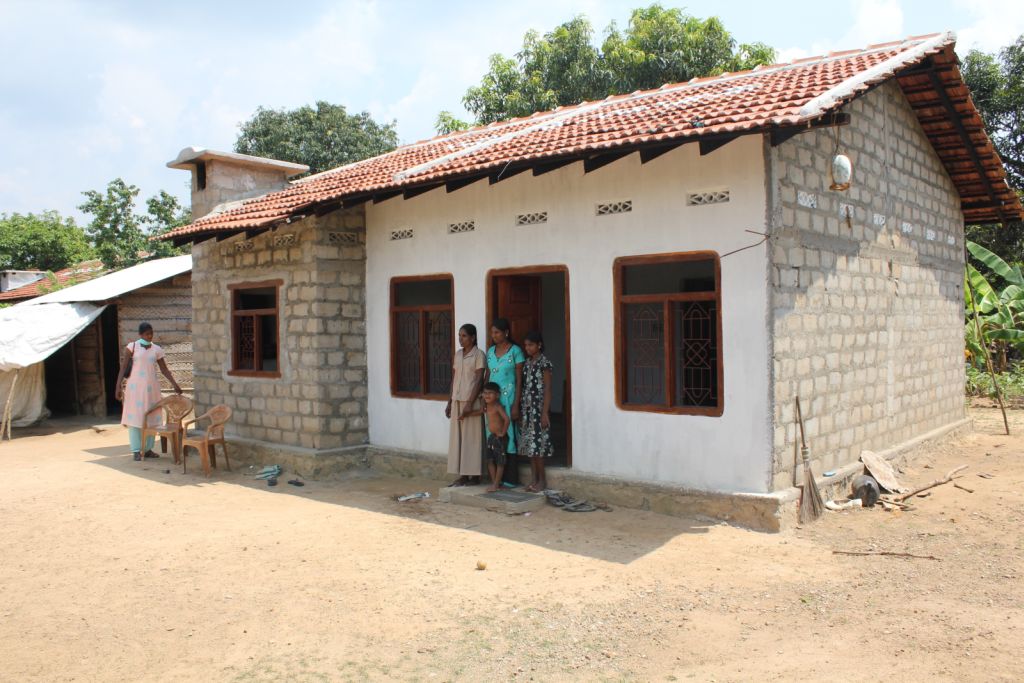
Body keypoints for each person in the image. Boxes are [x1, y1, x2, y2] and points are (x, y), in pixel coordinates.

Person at [115, 322, 182, 461]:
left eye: (151, 333)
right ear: (140, 334)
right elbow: (123, 367)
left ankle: (148, 449)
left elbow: (164, 369)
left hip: (152, 389)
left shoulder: (157, 349)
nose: (150, 336)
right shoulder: (132, 347)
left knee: (151, 418)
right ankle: (135, 450)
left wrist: (175, 384)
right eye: (147, 334)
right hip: (135, 389)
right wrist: (117, 386)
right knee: (135, 419)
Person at [445, 323, 486, 486]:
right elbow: (454, 379)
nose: (460, 339)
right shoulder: (458, 355)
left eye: (464, 336)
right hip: (457, 400)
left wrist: (470, 403)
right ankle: (462, 475)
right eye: (459, 336)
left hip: (472, 401)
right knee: (458, 439)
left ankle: (474, 476)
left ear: (473, 337)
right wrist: (449, 401)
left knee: (472, 438)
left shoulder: (479, 355)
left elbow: (479, 380)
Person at [485, 318, 524, 486]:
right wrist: (484, 396)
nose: (493, 335)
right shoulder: (490, 352)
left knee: (507, 434)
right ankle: (496, 480)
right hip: (492, 402)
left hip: (508, 400)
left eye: (497, 332)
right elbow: (487, 376)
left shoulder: (515, 351)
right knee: (492, 434)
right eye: (492, 333)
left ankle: (510, 479)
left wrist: (516, 404)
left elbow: (519, 379)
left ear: (506, 333)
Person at [519, 331, 554, 492]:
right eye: (526, 345)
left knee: (538, 447)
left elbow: (547, 388)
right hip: (527, 410)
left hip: (539, 410)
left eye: (531, 345)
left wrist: (545, 412)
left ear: (539, 345)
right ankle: (533, 480)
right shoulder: (527, 363)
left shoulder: (544, 363)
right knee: (530, 448)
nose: (528, 348)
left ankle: (542, 481)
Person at [461, 382, 510, 493]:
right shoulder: (486, 407)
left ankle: (496, 484)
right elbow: (479, 412)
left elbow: (507, 419)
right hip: (491, 437)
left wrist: (503, 432)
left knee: (500, 462)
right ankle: (494, 483)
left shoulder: (497, 407)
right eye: (485, 393)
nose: (487, 395)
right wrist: (465, 415)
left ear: (497, 395)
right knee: (489, 460)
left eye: (490, 393)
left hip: (499, 438)